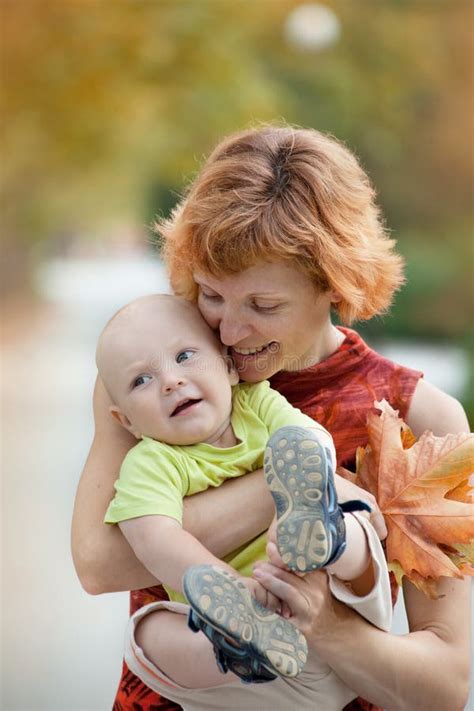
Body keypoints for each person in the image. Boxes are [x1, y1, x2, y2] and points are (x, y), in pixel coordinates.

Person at [71, 125, 471, 711]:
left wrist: (324, 625)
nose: (228, 333)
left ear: (333, 284)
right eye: (211, 295)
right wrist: (295, 486)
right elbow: (100, 564)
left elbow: (444, 687)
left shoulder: (419, 415)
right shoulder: (148, 380)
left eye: (263, 306)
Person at [97, 293, 391, 708]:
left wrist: (295, 496)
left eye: (184, 356)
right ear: (125, 420)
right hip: (260, 669)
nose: (169, 381)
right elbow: (154, 537)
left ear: (230, 367)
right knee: (147, 635)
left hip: (338, 615)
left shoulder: (257, 404)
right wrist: (232, 590)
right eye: (140, 381)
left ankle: (323, 536)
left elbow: (312, 444)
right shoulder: (150, 463)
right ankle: (234, 643)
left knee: (348, 511)